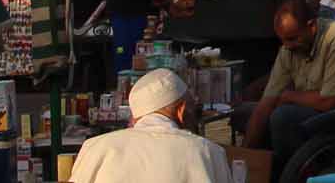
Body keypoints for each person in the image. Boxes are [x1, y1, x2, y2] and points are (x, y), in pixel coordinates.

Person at [243, 0, 335, 175]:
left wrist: (288, 96)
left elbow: (332, 101)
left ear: (312, 26)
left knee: (283, 116)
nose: (287, 46)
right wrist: (242, 156)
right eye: (283, 40)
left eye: (293, 39)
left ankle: (288, 175)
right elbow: (267, 101)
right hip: (323, 111)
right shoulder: (289, 47)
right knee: (248, 114)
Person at [73, 68, 227, 183]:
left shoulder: (94, 148)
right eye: (193, 107)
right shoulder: (208, 153)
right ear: (181, 110)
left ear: (135, 116)